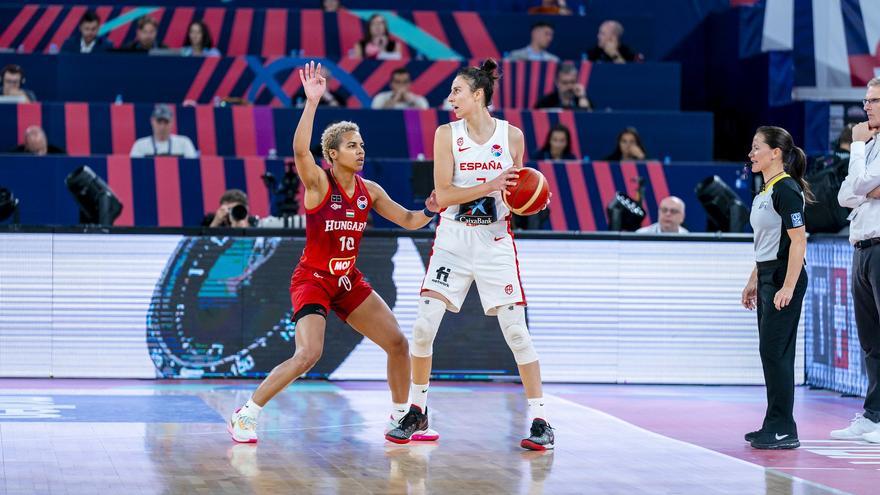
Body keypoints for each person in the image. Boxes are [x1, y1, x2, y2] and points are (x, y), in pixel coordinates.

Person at [229, 61, 440, 445]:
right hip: (313, 279)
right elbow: (298, 149)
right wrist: (312, 102)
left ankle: (401, 419)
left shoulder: (369, 190)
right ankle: (247, 412)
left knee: (397, 343)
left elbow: (409, 220)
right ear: (332, 154)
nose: (360, 151)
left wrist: (430, 208)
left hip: (346, 280)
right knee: (309, 354)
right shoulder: (318, 184)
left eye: (361, 145)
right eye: (352, 146)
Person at [394, 59, 554, 451]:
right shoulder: (446, 134)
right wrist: (492, 184)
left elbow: (515, 194)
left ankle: (540, 419)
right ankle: (417, 410)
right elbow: (444, 195)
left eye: (457, 91)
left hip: (494, 241)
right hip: (453, 237)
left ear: (478, 95)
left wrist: (527, 199)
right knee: (422, 326)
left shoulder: (512, 136)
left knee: (516, 332)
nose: (450, 98)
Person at [740, 126, 812, 450]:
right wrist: (754, 280)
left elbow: (798, 241)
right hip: (769, 274)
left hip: (785, 277)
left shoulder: (786, 189)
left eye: (757, 148)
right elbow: (767, 243)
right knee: (769, 353)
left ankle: (784, 428)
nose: (752, 154)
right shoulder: (764, 192)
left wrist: (787, 286)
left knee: (777, 353)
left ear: (776, 153)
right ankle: (774, 423)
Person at [833, 77, 880, 443]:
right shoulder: (870, 143)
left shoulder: (865, 143)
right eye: (865, 100)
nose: (866, 107)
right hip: (862, 249)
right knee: (870, 341)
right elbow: (846, 194)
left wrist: (858, 147)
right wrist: (866, 187)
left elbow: (860, 186)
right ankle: (874, 414)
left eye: (873, 100)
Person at [130, 104, 198, 158]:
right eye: (159, 122)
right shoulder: (140, 145)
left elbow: (192, 167)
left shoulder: (184, 143)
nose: (162, 126)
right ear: (152, 121)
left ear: (172, 122)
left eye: (166, 122)